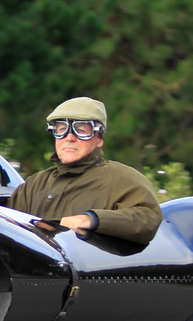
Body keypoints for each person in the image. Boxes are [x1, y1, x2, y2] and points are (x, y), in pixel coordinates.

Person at [9, 96, 162, 244]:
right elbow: (7, 229)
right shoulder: (34, 184)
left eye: (81, 130)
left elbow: (148, 218)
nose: (69, 137)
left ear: (99, 139)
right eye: (61, 129)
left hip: (89, 268)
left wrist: (92, 219)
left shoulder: (121, 178)